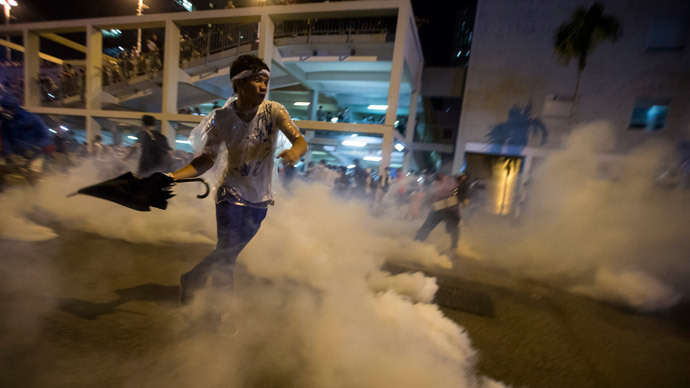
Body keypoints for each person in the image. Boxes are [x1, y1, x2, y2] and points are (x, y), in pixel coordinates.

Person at [168, 54, 307, 304]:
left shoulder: (275, 111)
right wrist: (173, 176)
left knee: (228, 251)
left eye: (266, 80)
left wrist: (294, 152)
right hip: (230, 192)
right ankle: (223, 310)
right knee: (229, 250)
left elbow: (300, 140)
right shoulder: (221, 119)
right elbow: (206, 159)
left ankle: (193, 277)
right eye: (257, 80)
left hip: (260, 197)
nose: (264, 86)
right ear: (239, 84)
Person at [414, 173, 470, 256]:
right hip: (447, 210)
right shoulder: (457, 185)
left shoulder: (442, 183)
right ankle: (454, 249)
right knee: (453, 230)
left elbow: (432, 196)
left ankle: (416, 243)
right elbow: (465, 203)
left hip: (441, 209)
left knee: (428, 227)